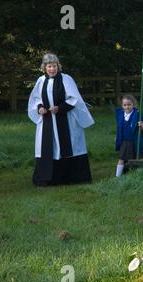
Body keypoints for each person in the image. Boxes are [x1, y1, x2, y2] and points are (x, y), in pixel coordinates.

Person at [28, 53, 94, 186]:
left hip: (66, 120)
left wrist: (59, 108)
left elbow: (74, 98)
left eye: (54, 66)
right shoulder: (41, 81)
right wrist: (40, 107)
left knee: (69, 146)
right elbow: (36, 99)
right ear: (44, 67)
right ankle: (48, 179)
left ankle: (72, 178)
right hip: (47, 122)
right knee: (48, 147)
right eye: (49, 66)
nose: (52, 69)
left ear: (58, 66)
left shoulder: (66, 79)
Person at [115, 95, 143, 177]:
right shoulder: (120, 114)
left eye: (129, 104)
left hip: (136, 140)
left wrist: (141, 126)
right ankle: (117, 177)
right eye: (125, 105)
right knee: (121, 159)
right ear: (122, 106)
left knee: (138, 159)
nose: (127, 107)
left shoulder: (138, 115)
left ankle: (139, 176)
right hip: (125, 141)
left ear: (133, 105)